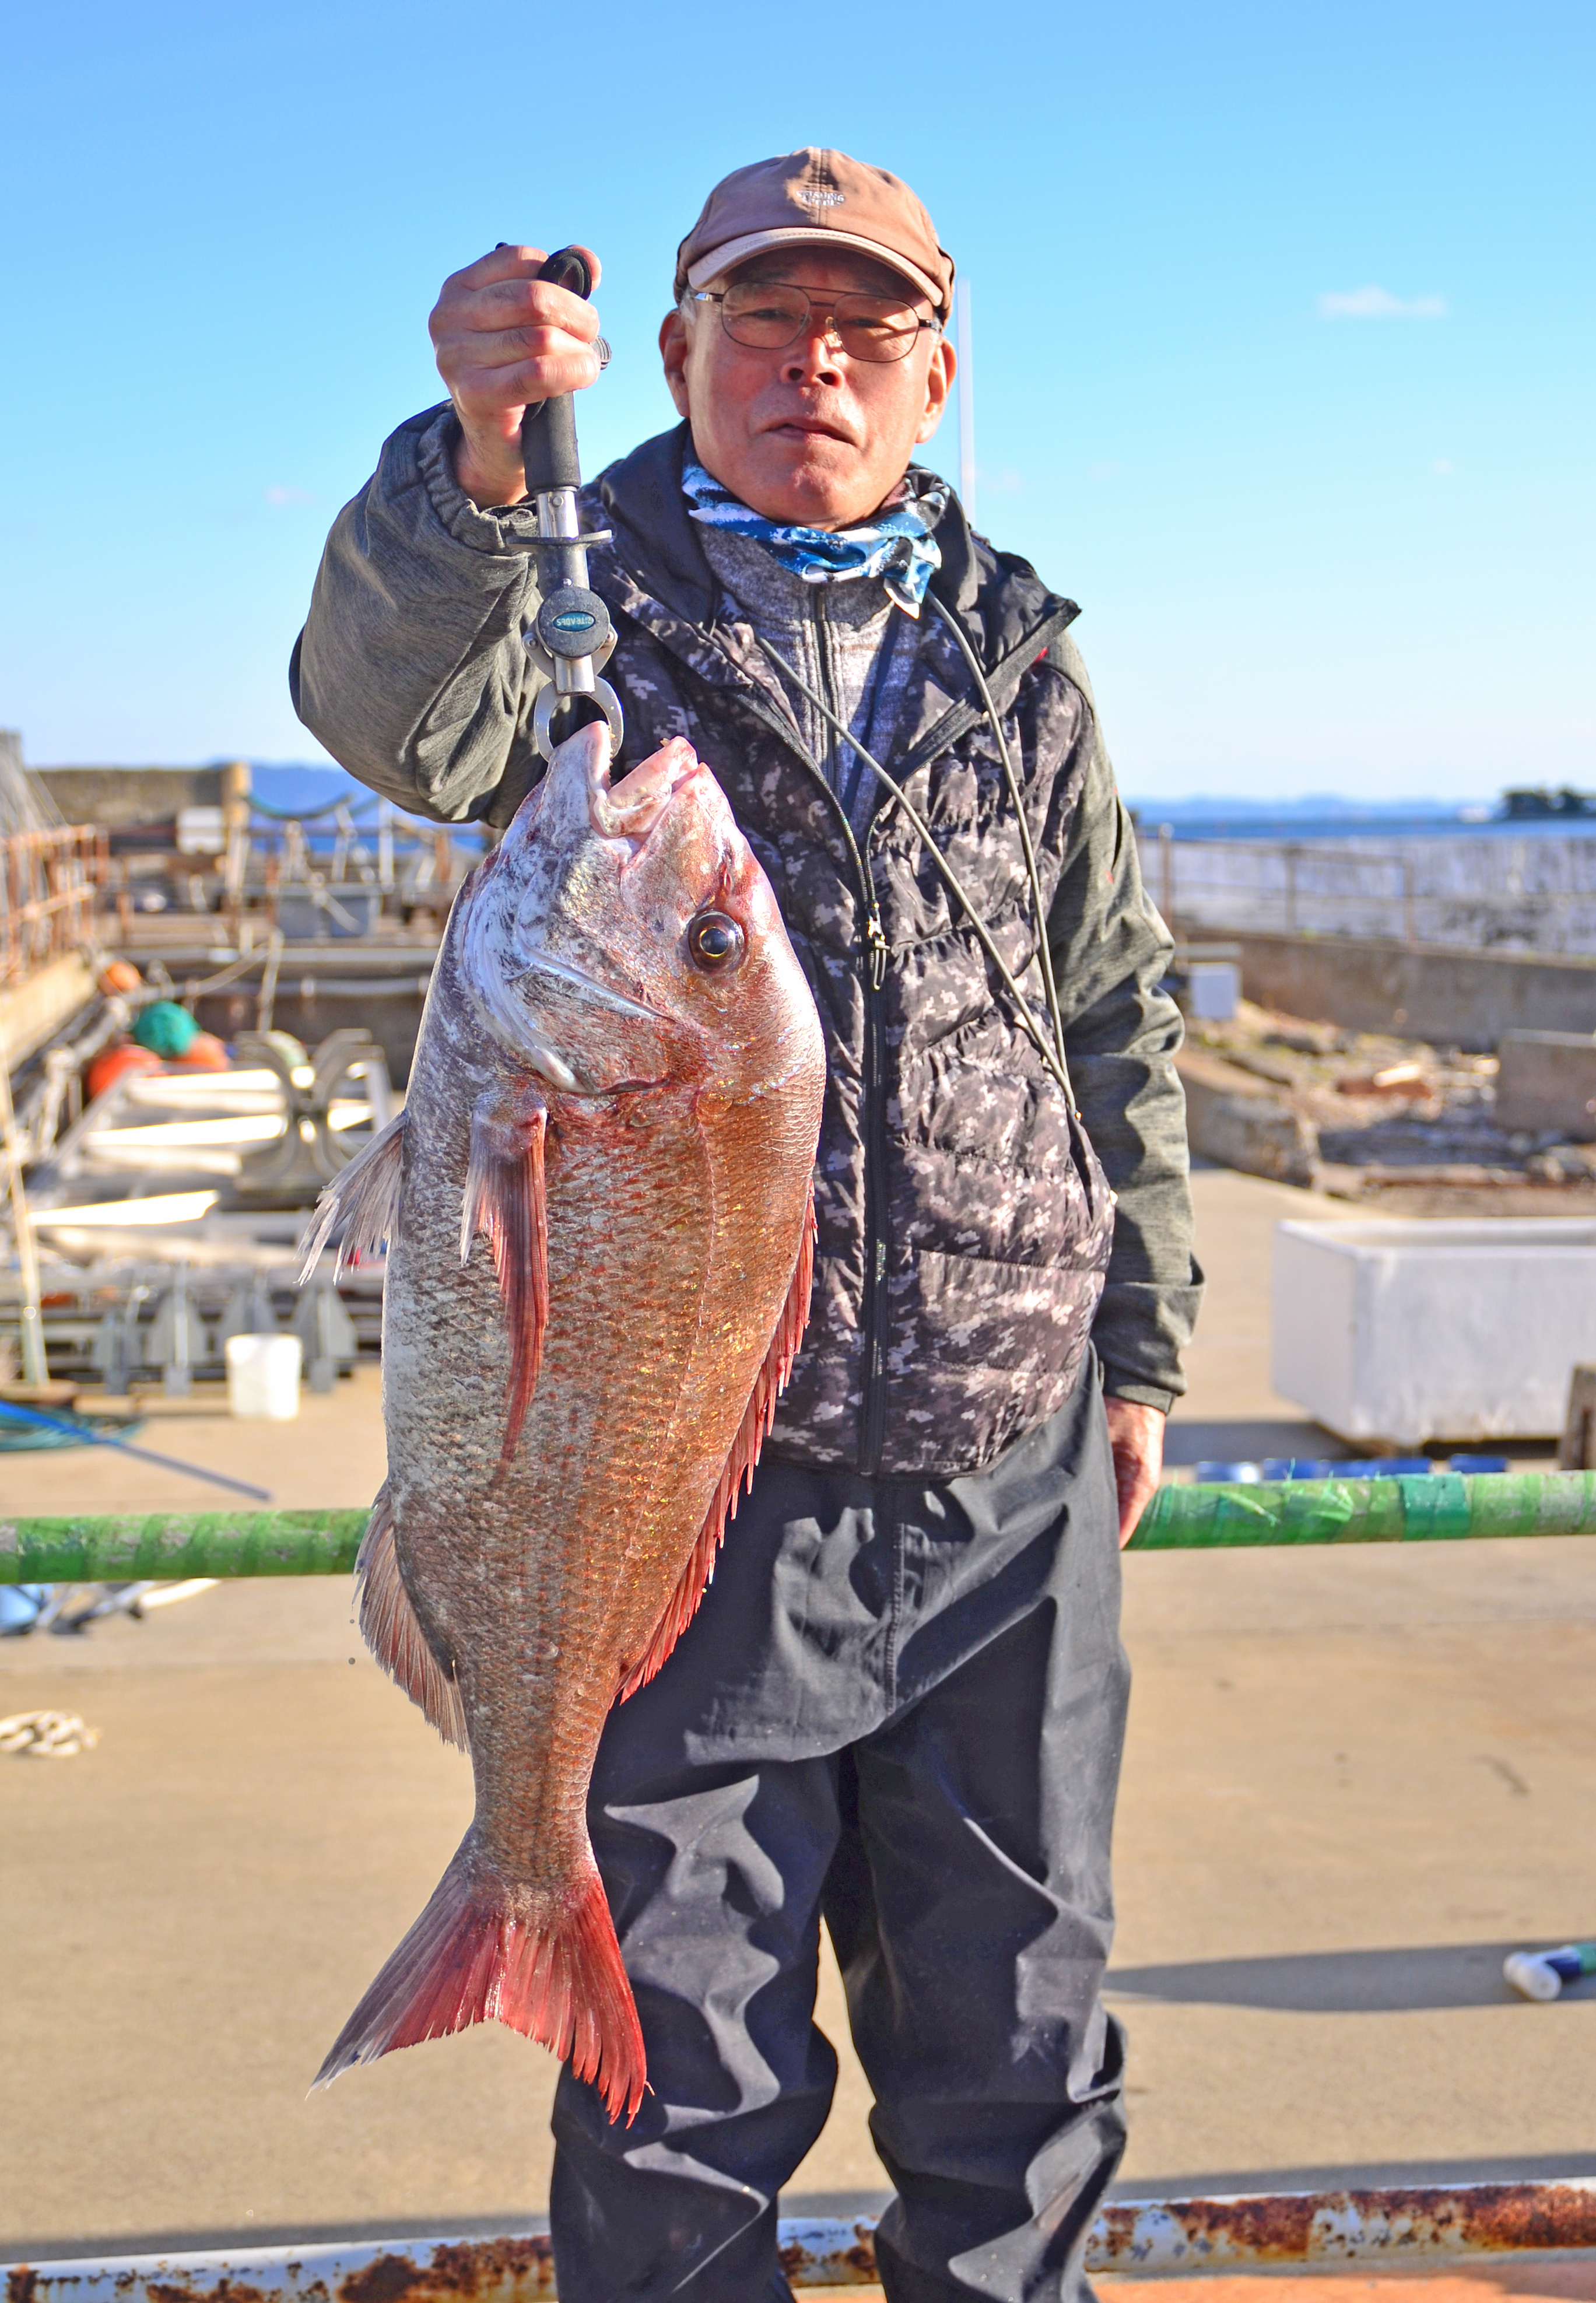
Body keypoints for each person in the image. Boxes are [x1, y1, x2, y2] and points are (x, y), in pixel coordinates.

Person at [294, 148, 1201, 2303]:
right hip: (685, 1489)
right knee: (678, 2090)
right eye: (765, 320)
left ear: (934, 376)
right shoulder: (565, 602)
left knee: (1022, 2063)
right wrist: (478, 461)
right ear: (680, 351)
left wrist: (1140, 1347)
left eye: (866, 331)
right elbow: (389, 705)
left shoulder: (1020, 653)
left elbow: (1111, 1006)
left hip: (1009, 1476)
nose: (817, 362)